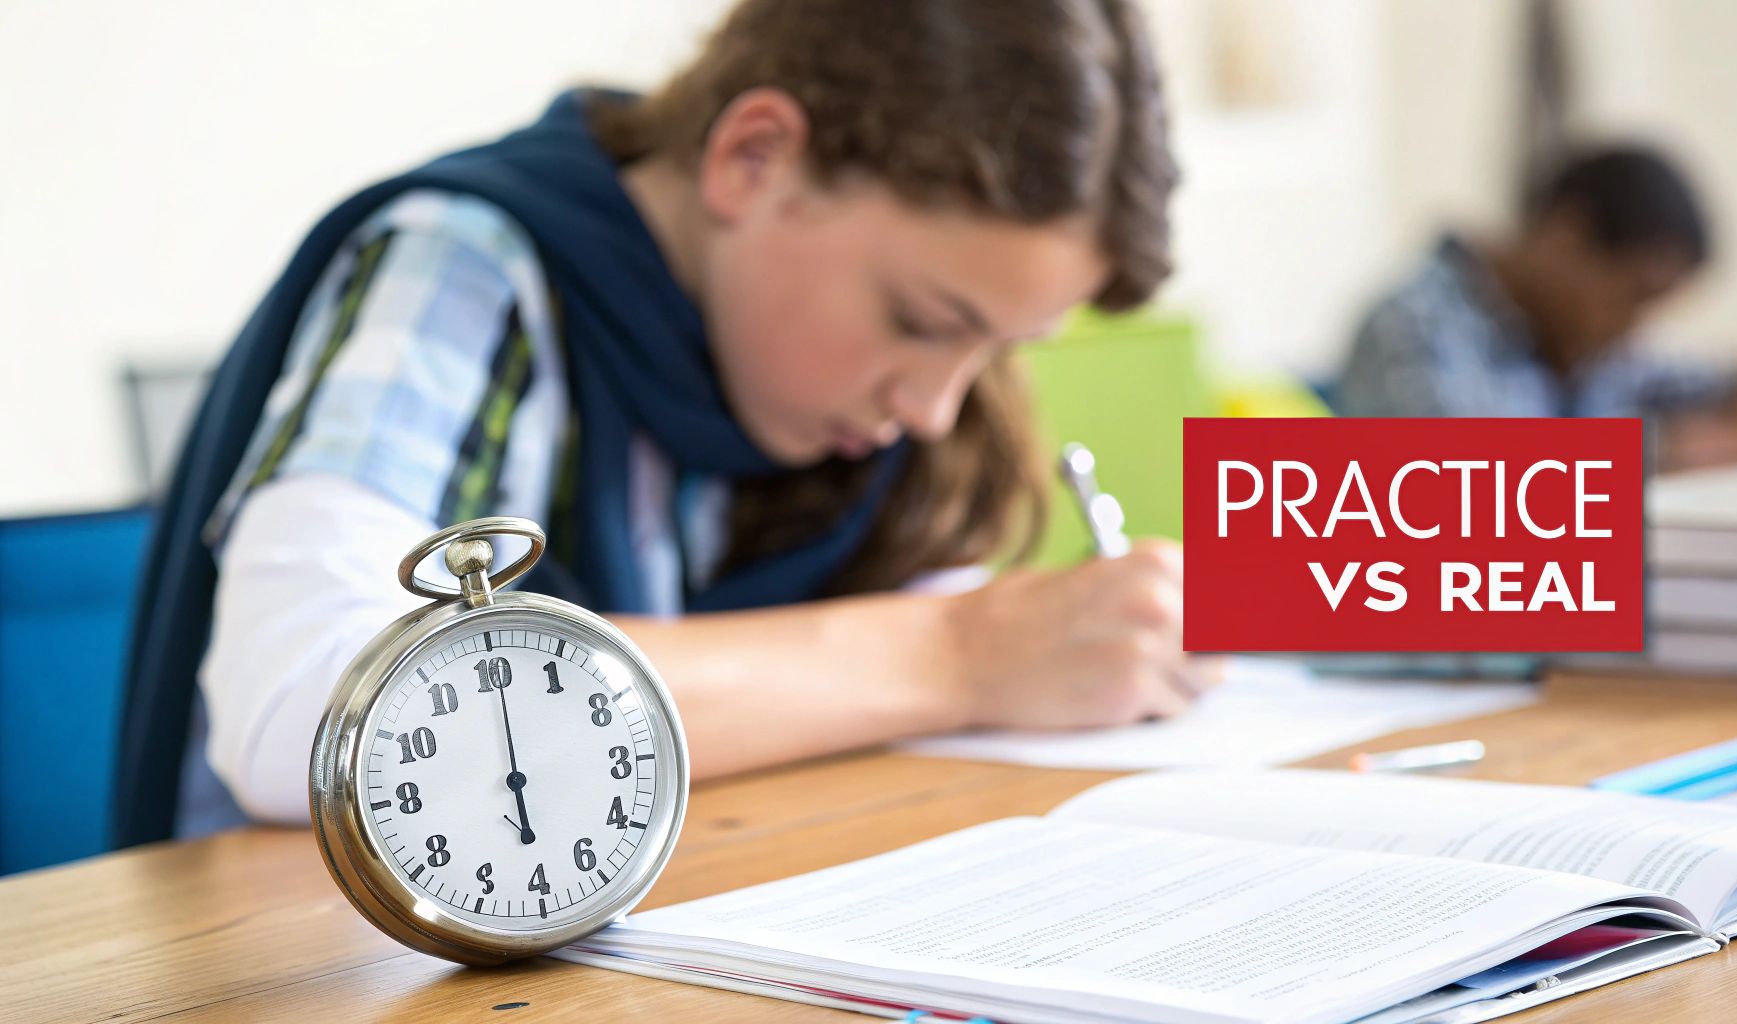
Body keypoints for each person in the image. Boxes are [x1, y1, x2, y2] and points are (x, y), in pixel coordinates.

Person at [117, 0, 1192, 841]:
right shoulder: (467, 262)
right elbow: (319, 716)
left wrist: (1077, 644)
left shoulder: (838, 407)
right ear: (752, 158)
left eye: (995, 350)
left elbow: (878, 651)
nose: (932, 406)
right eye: (919, 320)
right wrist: (961, 653)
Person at [1332, 145, 1737, 470]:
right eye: (1630, 298)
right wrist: (1665, 451)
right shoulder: (1411, 324)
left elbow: (1689, 377)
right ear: (1566, 240)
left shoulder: (1561, 336)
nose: (1631, 329)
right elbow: (1461, 474)